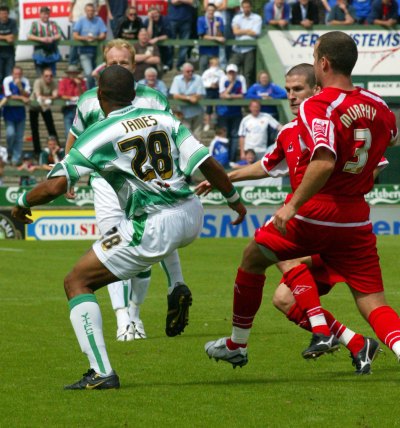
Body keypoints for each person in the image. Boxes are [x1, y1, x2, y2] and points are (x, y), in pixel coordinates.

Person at [11, 65, 246, 390]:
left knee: (77, 281)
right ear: (134, 94)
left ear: (100, 95)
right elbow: (207, 164)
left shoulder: (98, 134)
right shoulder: (165, 119)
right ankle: (173, 283)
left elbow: (53, 188)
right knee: (133, 250)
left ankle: (101, 371)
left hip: (153, 222)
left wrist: (22, 201)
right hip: (191, 213)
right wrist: (235, 200)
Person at [202, 31, 400, 371]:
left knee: (254, 257)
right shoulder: (379, 105)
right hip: (355, 219)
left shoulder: (318, 106)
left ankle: (238, 343)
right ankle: (357, 340)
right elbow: (390, 142)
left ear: (322, 63)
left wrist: (292, 206)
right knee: (371, 302)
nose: (293, 96)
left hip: (317, 209)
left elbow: (323, 160)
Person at [66, 39, 195, 341]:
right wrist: (68, 174)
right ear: (103, 66)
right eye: (113, 63)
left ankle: (136, 315)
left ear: (134, 66)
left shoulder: (153, 99)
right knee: (111, 245)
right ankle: (124, 318)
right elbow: (74, 137)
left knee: (147, 252)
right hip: (108, 184)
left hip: (148, 183)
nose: (118, 67)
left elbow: (173, 138)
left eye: (124, 63)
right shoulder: (88, 101)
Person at [216, 63, 246, 162]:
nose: (232, 74)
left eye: (233, 72)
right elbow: (222, 95)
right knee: (224, 135)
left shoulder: (241, 79)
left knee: (234, 136)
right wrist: (231, 84)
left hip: (236, 112)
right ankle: (223, 159)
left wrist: (231, 96)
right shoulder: (223, 79)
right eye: (230, 72)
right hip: (223, 112)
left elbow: (243, 95)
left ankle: (231, 159)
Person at [73, 3, 107, 89]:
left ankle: (100, 90)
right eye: (88, 10)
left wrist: (95, 38)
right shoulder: (81, 20)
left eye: (92, 11)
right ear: (85, 11)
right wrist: (85, 38)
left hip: (97, 53)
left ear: (95, 11)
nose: (90, 12)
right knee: (89, 73)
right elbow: (75, 35)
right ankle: (91, 92)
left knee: (100, 73)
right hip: (84, 52)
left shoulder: (99, 20)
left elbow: (103, 34)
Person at [169, 62, 206, 141]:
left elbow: (199, 95)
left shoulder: (198, 78)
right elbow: (175, 96)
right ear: (183, 72)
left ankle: (198, 153)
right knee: (186, 137)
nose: (190, 73)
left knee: (198, 137)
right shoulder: (177, 79)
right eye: (188, 71)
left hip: (197, 112)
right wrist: (189, 97)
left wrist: (182, 96)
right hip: (183, 113)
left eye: (192, 71)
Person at [230, 0, 262, 87]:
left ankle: (247, 94)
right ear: (242, 8)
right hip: (237, 48)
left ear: (251, 7)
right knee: (231, 69)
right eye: (244, 7)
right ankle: (232, 91)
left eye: (248, 7)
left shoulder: (257, 18)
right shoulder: (237, 18)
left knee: (248, 73)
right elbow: (235, 32)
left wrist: (241, 30)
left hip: (249, 49)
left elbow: (256, 32)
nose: (246, 9)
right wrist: (247, 30)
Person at [3, 66, 31, 166]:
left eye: (19, 74)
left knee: (19, 137)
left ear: (22, 74)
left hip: (21, 113)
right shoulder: (7, 80)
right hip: (9, 113)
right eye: (15, 74)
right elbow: (8, 95)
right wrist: (21, 98)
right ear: (12, 73)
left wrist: (20, 87)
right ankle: (9, 151)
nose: (17, 76)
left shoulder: (25, 81)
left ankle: (16, 158)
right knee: (10, 134)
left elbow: (27, 96)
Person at [29, 68, 59, 159]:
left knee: (51, 128)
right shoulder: (38, 82)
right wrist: (48, 98)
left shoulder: (54, 83)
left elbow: (55, 95)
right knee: (35, 130)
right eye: (46, 76)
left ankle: (58, 149)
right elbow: (38, 96)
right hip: (34, 106)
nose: (49, 78)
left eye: (50, 76)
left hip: (45, 106)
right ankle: (37, 151)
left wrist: (46, 98)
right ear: (42, 76)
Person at [27, 6, 63, 77]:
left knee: (51, 75)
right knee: (40, 76)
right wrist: (41, 39)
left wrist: (52, 38)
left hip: (51, 53)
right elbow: (29, 36)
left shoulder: (53, 24)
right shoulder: (35, 24)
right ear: (40, 14)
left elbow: (59, 35)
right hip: (39, 53)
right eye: (43, 14)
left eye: (47, 14)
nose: (45, 16)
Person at [58, 64, 87, 139]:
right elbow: (61, 95)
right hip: (68, 108)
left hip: (79, 109)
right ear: (68, 74)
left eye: (74, 73)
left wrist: (79, 85)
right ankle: (69, 149)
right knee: (68, 131)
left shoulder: (81, 81)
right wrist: (72, 98)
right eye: (71, 73)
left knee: (80, 132)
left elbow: (83, 95)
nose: (73, 75)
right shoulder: (63, 81)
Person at [167, 0, 196, 70]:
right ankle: (168, 64)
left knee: (184, 44)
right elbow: (174, 2)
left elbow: (192, 2)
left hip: (186, 20)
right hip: (173, 19)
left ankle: (180, 64)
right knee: (170, 44)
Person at [197, 4, 225, 73]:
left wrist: (218, 28)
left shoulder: (219, 19)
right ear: (206, 10)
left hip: (215, 51)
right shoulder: (201, 19)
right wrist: (216, 38)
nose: (211, 12)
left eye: (212, 10)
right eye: (209, 10)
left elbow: (221, 36)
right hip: (204, 51)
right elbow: (203, 36)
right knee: (202, 72)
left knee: (215, 72)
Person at [143, 6, 172, 72]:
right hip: (151, 45)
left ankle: (166, 65)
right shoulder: (147, 21)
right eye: (153, 14)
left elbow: (167, 35)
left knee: (167, 46)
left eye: (156, 13)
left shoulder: (164, 20)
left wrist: (157, 38)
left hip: (163, 42)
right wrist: (150, 21)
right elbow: (148, 36)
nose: (155, 15)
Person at [201, 56, 225, 131]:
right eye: (214, 63)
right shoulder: (206, 72)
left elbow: (224, 81)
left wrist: (218, 85)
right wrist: (209, 85)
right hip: (209, 91)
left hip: (218, 90)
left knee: (219, 107)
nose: (216, 64)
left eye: (217, 63)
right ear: (210, 64)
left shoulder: (221, 72)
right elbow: (202, 82)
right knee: (208, 108)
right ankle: (207, 124)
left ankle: (217, 123)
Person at [0, 5, 17, 91]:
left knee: (9, 75)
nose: (4, 15)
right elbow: (9, 37)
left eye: (5, 13)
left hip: (9, 53)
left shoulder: (12, 22)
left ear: (8, 14)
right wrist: (5, 37)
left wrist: (6, 37)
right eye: (2, 13)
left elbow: (13, 35)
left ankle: (7, 95)